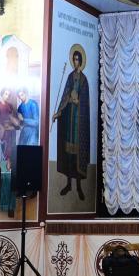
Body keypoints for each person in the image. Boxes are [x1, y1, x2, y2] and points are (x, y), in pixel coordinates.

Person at [53, 47, 91, 200]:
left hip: (79, 122)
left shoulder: (84, 80)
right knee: (68, 152)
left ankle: (79, 186)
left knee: (77, 154)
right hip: (69, 119)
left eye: (77, 60)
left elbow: (85, 102)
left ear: (81, 62)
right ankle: (69, 184)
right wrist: (59, 111)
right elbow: (64, 95)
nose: (75, 62)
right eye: (74, 59)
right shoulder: (69, 76)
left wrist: (77, 100)